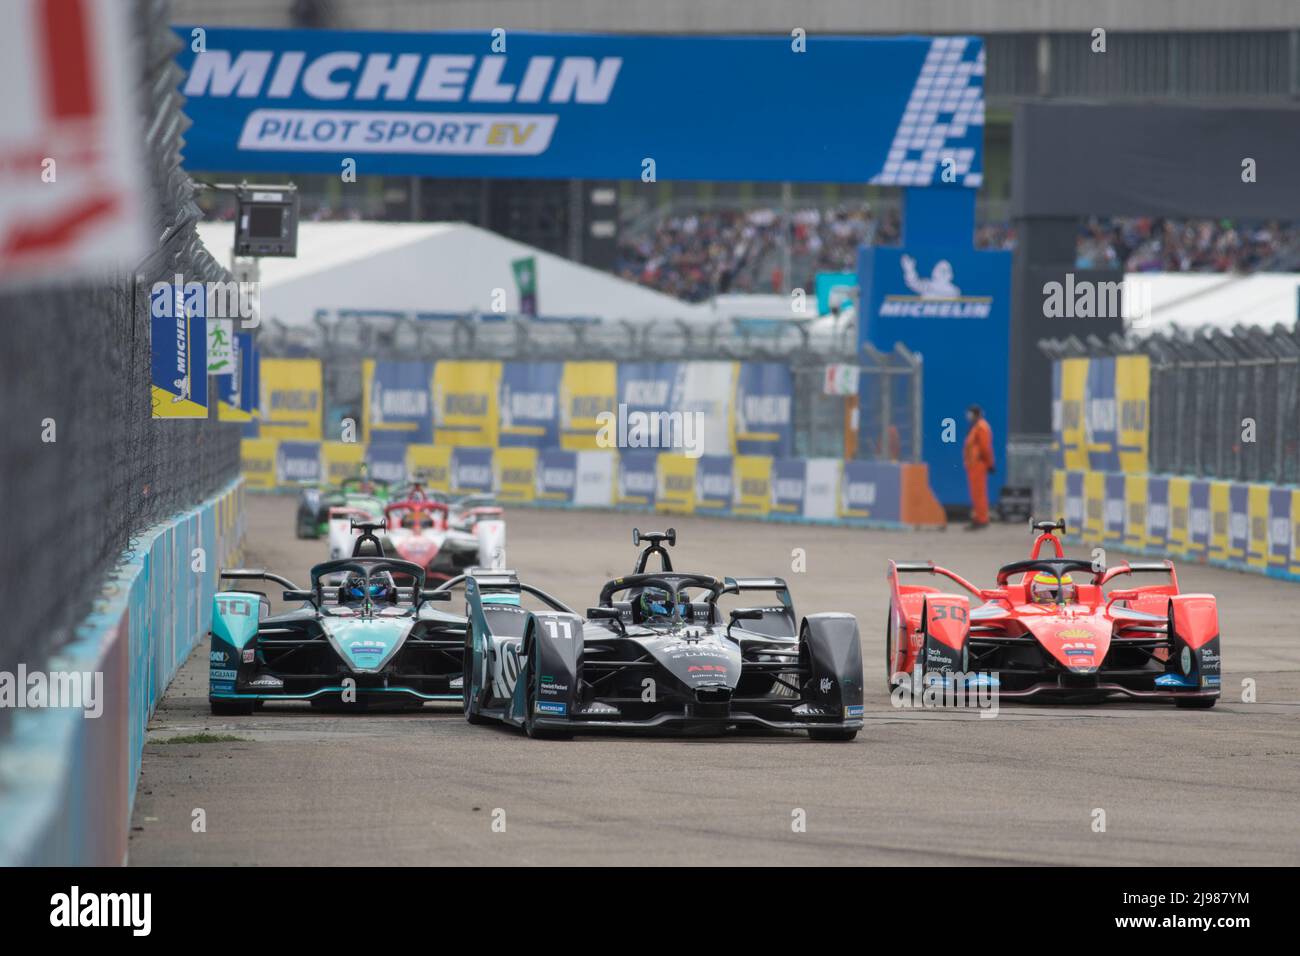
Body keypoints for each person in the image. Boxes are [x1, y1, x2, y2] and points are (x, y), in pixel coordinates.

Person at [963, 404, 995, 530]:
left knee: (979, 493)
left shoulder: (981, 427)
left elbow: (985, 447)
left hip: (979, 464)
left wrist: (989, 463)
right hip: (973, 464)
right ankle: (978, 517)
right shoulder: (976, 427)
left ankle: (982, 519)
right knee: (975, 493)